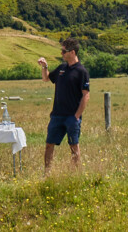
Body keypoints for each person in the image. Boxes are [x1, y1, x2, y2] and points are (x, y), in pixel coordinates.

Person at [37, 38, 90, 174]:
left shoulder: (81, 71)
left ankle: (75, 174)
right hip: (57, 115)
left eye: (63, 51)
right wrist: (44, 67)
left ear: (72, 52)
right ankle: (47, 173)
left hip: (71, 117)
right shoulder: (61, 68)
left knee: (74, 147)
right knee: (49, 145)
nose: (61, 53)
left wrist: (76, 116)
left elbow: (86, 95)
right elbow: (46, 78)